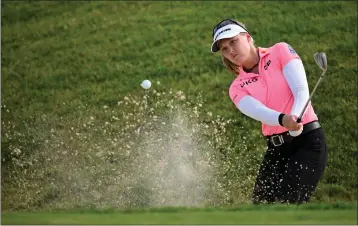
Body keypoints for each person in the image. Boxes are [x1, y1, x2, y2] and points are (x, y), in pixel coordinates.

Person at [210, 19, 328, 204]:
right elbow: (258, 111)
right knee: (260, 209)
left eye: (233, 41)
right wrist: (284, 120)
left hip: (307, 143)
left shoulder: (280, 51)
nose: (230, 50)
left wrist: (295, 117)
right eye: (224, 48)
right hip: (277, 149)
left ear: (247, 37)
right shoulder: (237, 87)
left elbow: (301, 90)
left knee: (286, 206)